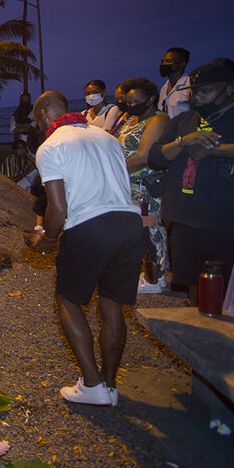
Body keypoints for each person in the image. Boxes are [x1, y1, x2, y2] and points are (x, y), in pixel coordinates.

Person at [26, 91, 142, 406]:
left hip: (91, 225)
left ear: (45, 113)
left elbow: (58, 209)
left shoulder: (50, 146)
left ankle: (91, 385)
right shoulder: (107, 137)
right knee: (112, 306)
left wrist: (48, 240)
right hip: (130, 223)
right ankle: (109, 384)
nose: (38, 125)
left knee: (68, 299)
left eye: (37, 119)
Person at [147, 59, 234, 305]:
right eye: (195, 91)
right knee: (194, 285)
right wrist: (184, 141)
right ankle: (199, 331)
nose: (198, 96)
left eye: (206, 90)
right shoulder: (183, 121)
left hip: (232, 220)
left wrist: (213, 150)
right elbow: (155, 156)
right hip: (186, 219)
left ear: (228, 89)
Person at [114, 78, 170, 294]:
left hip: (146, 185)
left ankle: (155, 278)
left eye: (136, 101)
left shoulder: (157, 120)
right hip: (129, 184)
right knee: (136, 229)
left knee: (151, 229)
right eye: (128, 101)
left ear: (151, 99)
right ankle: (149, 274)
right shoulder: (131, 119)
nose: (130, 105)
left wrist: (116, 173)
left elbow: (143, 156)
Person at [157, 47, 191, 118]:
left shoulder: (189, 85)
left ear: (182, 64)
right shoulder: (164, 88)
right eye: (162, 61)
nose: (164, 64)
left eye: (169, 61)